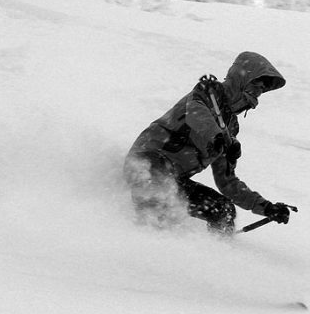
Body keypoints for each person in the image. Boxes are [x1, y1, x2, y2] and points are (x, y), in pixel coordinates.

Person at [123, 51, 295, 235]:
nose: (258, 91)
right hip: (148, 163)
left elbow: (227, 182)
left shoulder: (230, 127)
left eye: (262, 89)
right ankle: (144, 247)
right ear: (242, 78)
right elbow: (196, 113)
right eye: (256, 84)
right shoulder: (208, 92)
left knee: (223, 209)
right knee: (161, 201)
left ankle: (217, 254)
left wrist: (266, 207)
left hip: (173, 179)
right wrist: (217, 136)